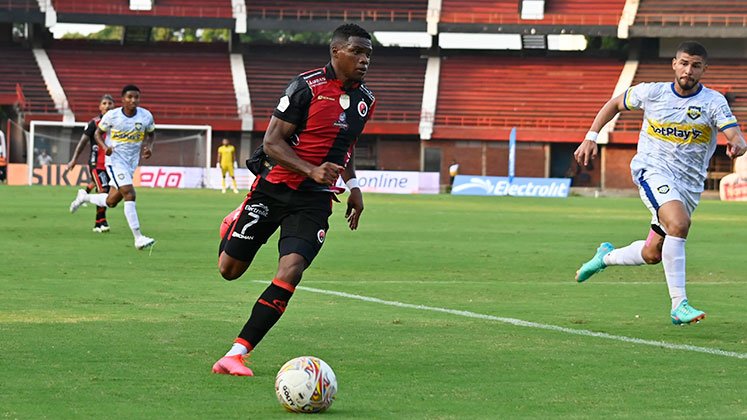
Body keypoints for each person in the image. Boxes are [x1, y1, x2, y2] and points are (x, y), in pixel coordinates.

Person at [211, 23, 375, 376]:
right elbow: (272, 142)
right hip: (273, 189)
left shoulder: (366, 101)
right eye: (357, 53)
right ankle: (234, 220)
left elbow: (348, 146)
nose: (364, 61)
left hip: (314, 200)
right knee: (229, 271)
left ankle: (235, 354)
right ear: (336, 52)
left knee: (292, 269)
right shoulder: (305, 87)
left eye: (368, 55)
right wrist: (311, 169)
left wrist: (355, 186)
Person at [573, 41, 747, 325]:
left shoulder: (713, 102)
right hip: (652, 171)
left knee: (652, 253)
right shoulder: (652, 92)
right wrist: (591, 136)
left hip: (688, 185)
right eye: (684, 63)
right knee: (679, 224)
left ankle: (605, 257)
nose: (688, 70)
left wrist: (737, 144)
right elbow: (615, 103)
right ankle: (679, 305)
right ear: (674, 64)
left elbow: (734, 133)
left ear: (704, 69)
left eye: (695, 65)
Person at [69, 85, 157, 250]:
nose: (133, 100)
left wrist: (149, 147)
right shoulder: (112, 116)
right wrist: (104, 146)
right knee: (129, 194)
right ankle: (138, 237)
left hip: (131, 163)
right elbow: (96, 133)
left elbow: (151, 133)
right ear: (123, 99)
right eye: (130, 97)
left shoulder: (145, 116)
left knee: (111, 201)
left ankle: (83, 197)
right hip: (115, 162)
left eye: (136, 97)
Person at [67, 94, 115, 232]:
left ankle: (96, 221)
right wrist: (74, 159)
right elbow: (83, 142)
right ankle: (103, 222)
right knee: (103, 190)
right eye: (104, 103)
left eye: (110, 103)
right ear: (100, 107)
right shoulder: (94, 123)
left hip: (111, 164)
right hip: (97, 163)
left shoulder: (118, 123)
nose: (107, 106)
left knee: (107, 191)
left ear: (114, 106)